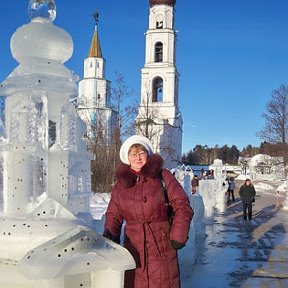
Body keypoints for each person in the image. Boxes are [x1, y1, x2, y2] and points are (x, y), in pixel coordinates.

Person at [103, 135, 193, 288]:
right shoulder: (120, 186)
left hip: (161, 244)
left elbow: (182, 206)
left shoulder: (163, 177)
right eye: (133, 154)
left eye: (141, 152)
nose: (137, 157)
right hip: (133, 247)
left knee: (163, 282)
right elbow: (113, 214)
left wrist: (178, 235)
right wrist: (110, 239)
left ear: (148, 154)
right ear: (127, 157)